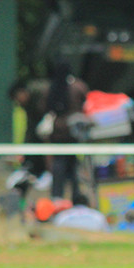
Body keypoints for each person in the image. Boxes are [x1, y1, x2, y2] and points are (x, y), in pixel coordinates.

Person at [42, 63, 89, 201]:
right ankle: (76, 195)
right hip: (73, 132)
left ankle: (57, 196)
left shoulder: (50, 88)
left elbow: (44, 108)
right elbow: (86, 103)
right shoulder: (78, 87)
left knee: (58, 164)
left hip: (57, 132)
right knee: (73, 165)